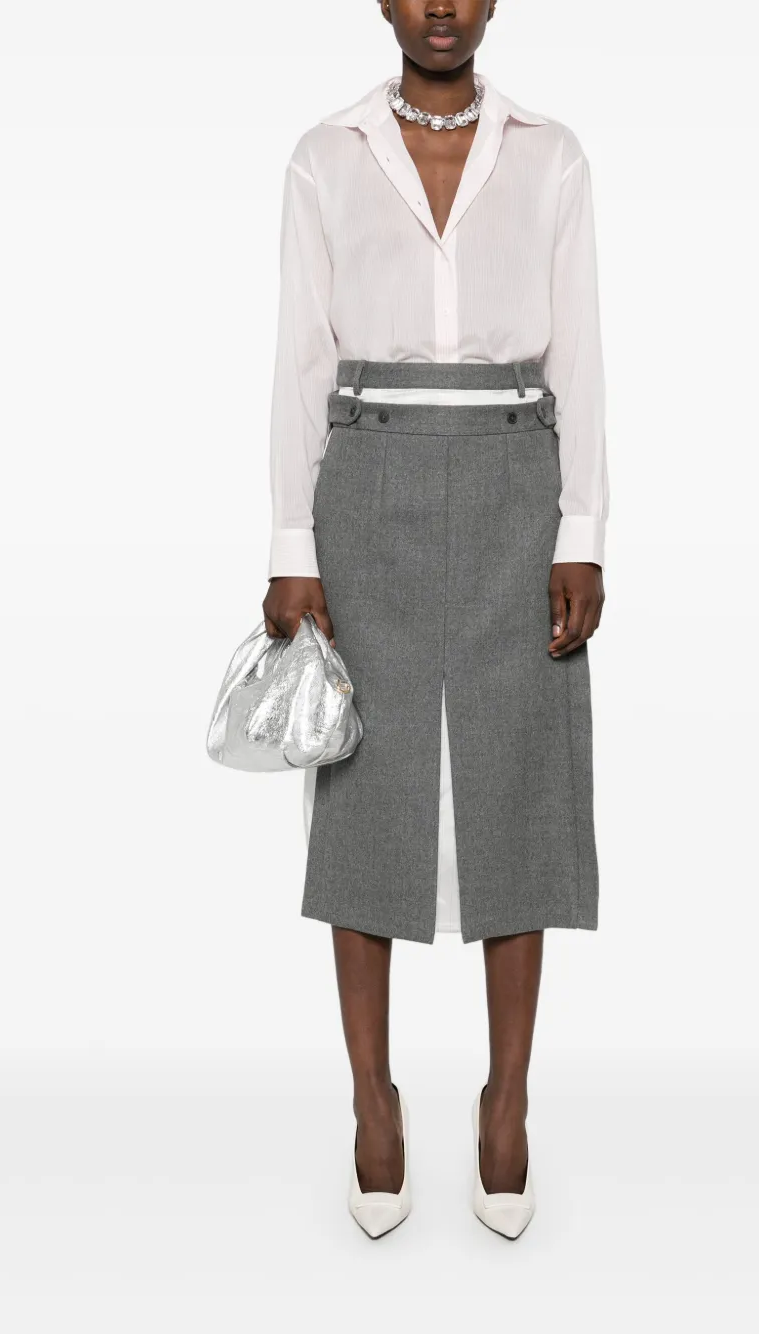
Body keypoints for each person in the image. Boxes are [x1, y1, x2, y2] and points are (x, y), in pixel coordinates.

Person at [261, 0, 608, 1239]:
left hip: (518, 473)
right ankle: (373, 1096)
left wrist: (582, 529)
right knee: (368, 790)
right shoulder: (326, 154)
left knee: (518, 778)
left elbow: (582, 354)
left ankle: (507, 1096)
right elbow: (301, 357)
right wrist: (291, 546)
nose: (441, 7)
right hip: (368, 478)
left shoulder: (551, 154)